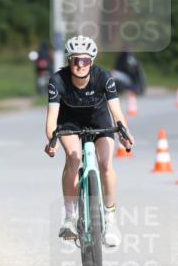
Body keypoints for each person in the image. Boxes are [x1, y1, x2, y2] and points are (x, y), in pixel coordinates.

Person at [44, 35, 134, 247]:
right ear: (69, 61)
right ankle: (69, 217)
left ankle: (110, 220)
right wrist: (52, 141)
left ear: (92, 61)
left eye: (85, 61)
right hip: (70, 123)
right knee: (74, 159)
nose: (80, 65)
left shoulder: (104, 78)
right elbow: (51, 120)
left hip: (99, 120)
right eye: (76, 60)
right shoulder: (57, 81)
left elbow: (117, 113)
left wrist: (125, 134)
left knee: (105, 165)